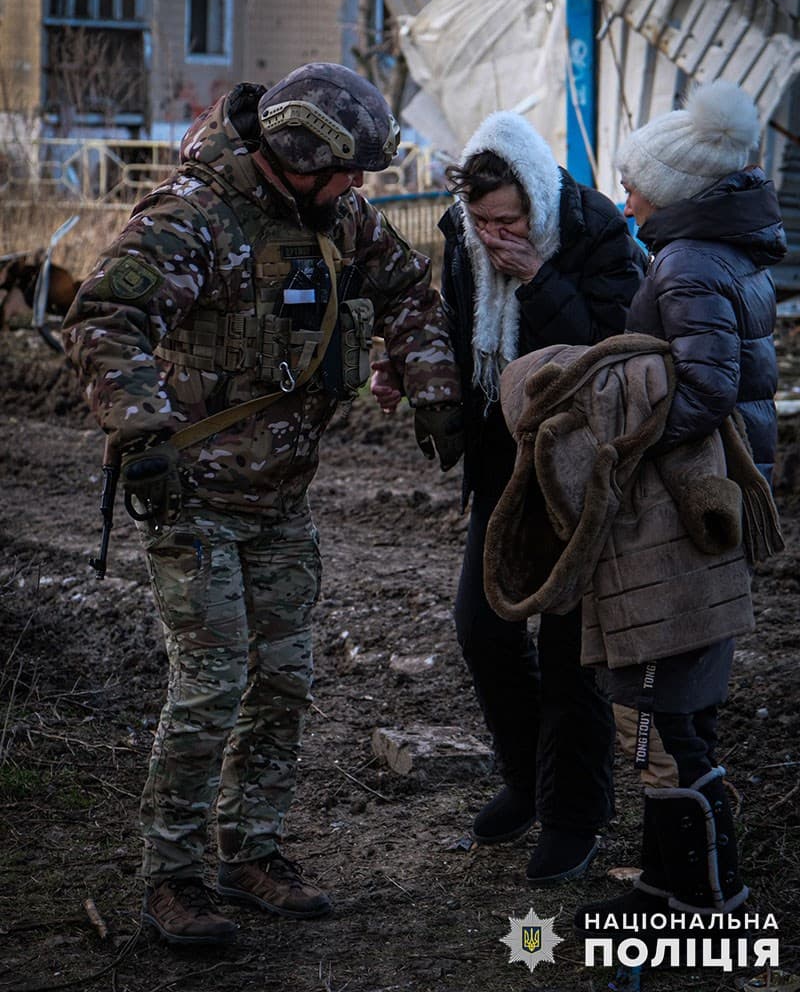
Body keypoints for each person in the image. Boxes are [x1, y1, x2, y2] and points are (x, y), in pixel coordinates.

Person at [62, 64, 463, 946]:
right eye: (346, 168)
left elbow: (405, 289)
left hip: (283, 499)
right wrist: (140, 433)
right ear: (294, 151)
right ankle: (173, 878)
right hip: (194, 497)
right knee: (211, 687)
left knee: (284, 680)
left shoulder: (335, 218)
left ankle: (254, 853)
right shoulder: (192, 216)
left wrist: (434, 384)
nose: (358, 188)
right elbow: (103, 320)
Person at [372, 110, 645, 884]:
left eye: (508, 220)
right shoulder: (464, 234)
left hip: (580, 469)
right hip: (504, 465)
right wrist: (410, 372)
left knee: (569, 654)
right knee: (483, 629)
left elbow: (612, 349)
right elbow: (460, 332)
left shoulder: (592, 225)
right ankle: (526, 780)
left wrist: (537, 277)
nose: (493, 236)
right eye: (481, 221)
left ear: (536, 199)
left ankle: (573, 816)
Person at [574, 79, 787, 945]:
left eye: (637, 188)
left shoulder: (689, 261)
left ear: (673, 191)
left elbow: (702, 390)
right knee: (686, 693)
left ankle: (696, 887)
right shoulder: (730, 255)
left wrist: (618, 443)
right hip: (720, 500)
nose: (626, 202)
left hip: (684, 505)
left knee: (661, 699)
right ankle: (685, 866)